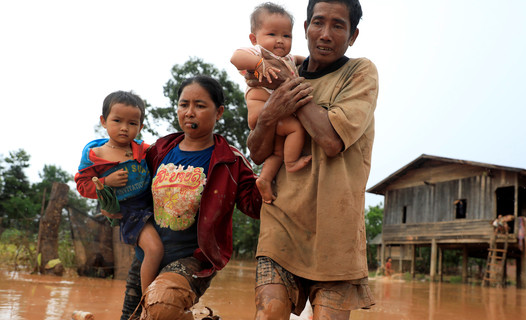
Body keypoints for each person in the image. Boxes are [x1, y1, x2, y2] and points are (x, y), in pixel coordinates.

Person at [247, 0, 379, 318]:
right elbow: (258, 151)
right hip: (281, 224)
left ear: (353, 35)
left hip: (337, 233)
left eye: (338, 25)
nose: (325, 34)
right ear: (305, 28)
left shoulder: (359, 73)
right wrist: (269, 116)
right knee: (270, 312)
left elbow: (331, 140)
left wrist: (286, 86)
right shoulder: (276, 72)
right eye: (318, 22)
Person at [117, 75, 262, 320]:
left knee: (161, 306)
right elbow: (133, 188)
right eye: (184, 105)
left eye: (200, 105)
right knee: (133, 318)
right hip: (147, 258)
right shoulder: (159, 150)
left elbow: (254, 205)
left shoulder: (230, 160)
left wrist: (273, 170)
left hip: (193, 261)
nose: (190, 112)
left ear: (219, 112)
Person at [75, 91, 163, 295]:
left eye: (132, 123)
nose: (124, 128)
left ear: (140, 127)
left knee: (163, 249)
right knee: (154, 249)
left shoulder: (144, 150)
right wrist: (106, 181)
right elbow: (82, 186)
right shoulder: (96, 155)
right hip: (129, 212)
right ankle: (148, 300)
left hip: (154, 206)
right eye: (117, 120)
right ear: (103, 121)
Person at [230, 2, 311, 203]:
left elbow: (306, 60)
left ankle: (264, 180)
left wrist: (310, 61)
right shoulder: (259, 53)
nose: (280, 41)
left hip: (276, 117)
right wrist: (259, 64)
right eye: (272, 34)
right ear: (254, 38)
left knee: (277, 151)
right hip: (260, 112)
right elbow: (235, 58)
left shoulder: (289, 58)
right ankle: (291, 163)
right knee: (296, 129)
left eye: (286, 35)